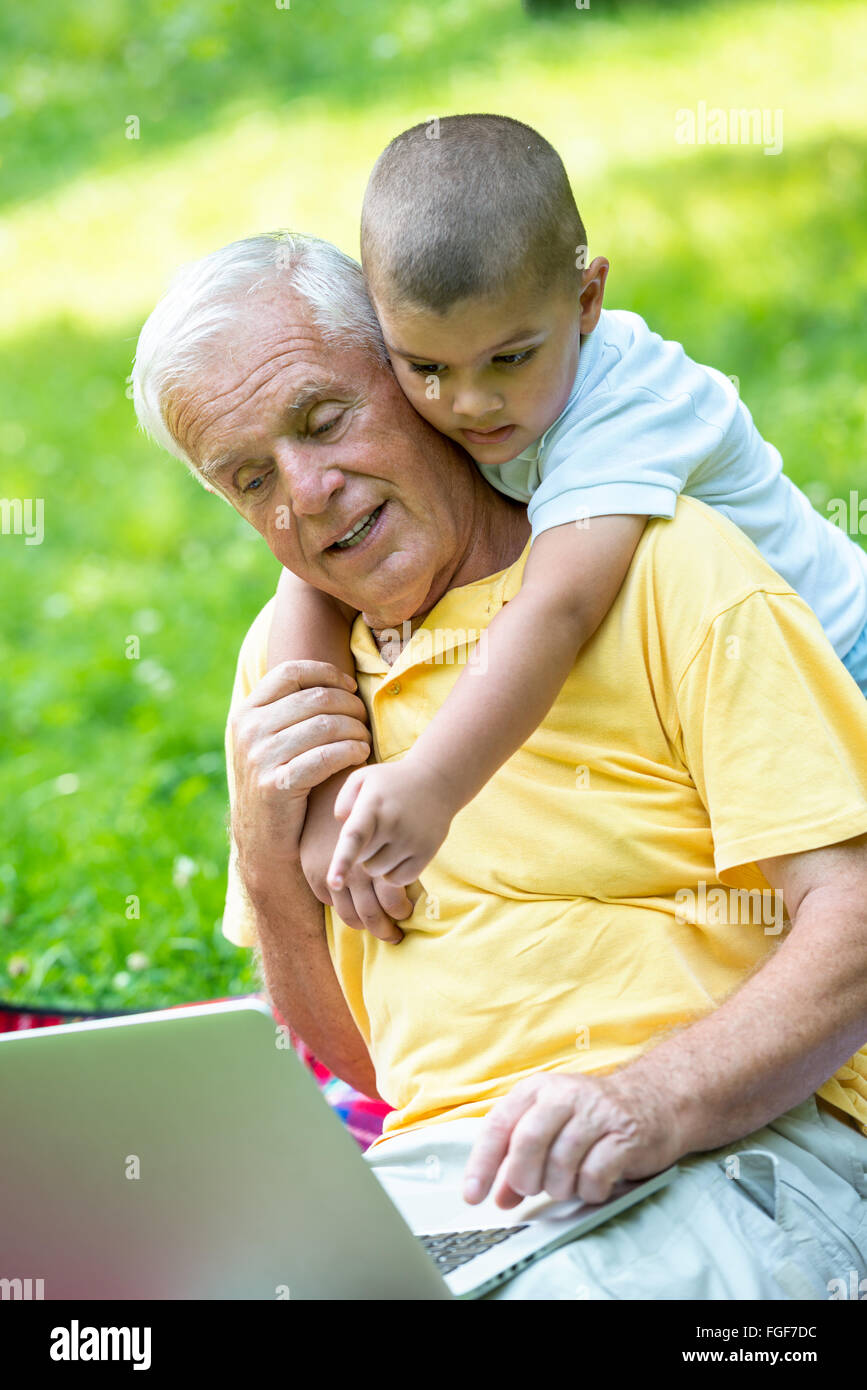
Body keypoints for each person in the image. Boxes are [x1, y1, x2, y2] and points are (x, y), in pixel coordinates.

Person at [131, 232, 867, 1298]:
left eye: (321, 420)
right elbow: (384, 1065)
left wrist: (646, 1100)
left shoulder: (666, 561)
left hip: (741, 1149)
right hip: (454, 1189)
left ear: (414, 374)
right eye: (251, 477)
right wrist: (264, 847)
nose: (308, 492)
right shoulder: (291, 679)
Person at [258, 115, 867, 911]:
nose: (472, 403)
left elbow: (558, 608)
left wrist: (433, 783)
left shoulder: (628, 408)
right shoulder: (473, 402)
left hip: (843, 661)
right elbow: (308, 578)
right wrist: (325, 794)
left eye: (510, 357)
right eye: (426, 366)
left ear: (586, 298)